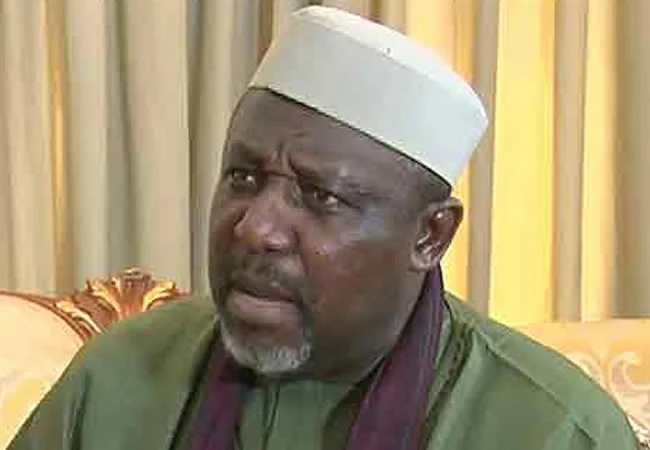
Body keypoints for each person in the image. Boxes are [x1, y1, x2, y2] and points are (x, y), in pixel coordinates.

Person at [9, 6, 637, 450]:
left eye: (320, 196)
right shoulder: (120, 376)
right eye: (243, 177)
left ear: (431, 236)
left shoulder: (554, 431)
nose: (256, 228)